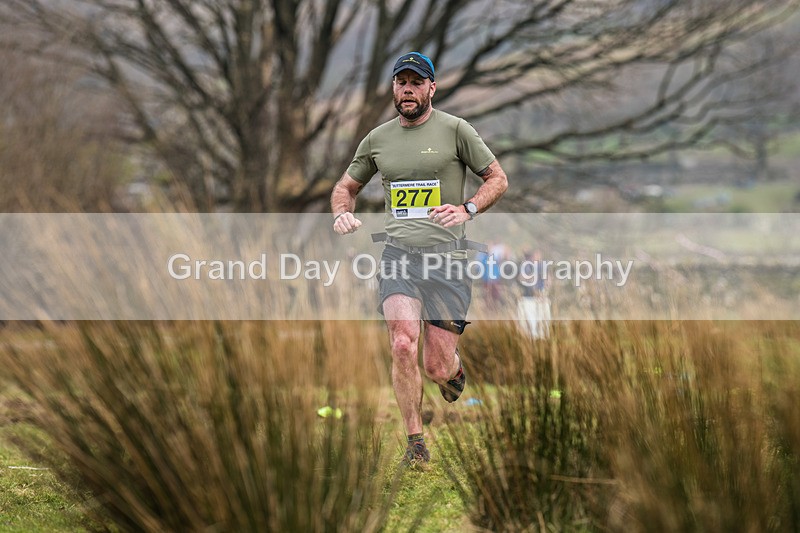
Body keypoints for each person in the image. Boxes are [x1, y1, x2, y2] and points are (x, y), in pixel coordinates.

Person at [330, 52, 508, 464]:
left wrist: (468, 209)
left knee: (436, 366)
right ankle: (415, 442)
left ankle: (453, 369)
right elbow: (346, 186)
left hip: (447, 259)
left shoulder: (456, 130)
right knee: (403, 344)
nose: (407, 89)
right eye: (400, 82)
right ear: (393, 88)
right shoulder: (376, 139)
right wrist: (342, 213)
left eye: (416, 82)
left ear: (432, 87)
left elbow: (497, 178)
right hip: (399, 257)